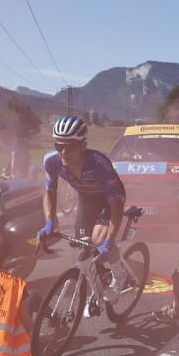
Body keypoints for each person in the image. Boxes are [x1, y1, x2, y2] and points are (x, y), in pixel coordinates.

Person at [39, 116, 129, 301]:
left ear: (83, 145)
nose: (64, 152)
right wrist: (49, 221)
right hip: (86, 199)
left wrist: (110, 242)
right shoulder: (51, 161)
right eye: (59, 146)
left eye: (70, 146)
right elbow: (49, 192)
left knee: (98, 239)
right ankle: (99, 279)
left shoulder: (99, 164)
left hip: (109, 200)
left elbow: (116, 206)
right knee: (82, 243)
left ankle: (119, 274)